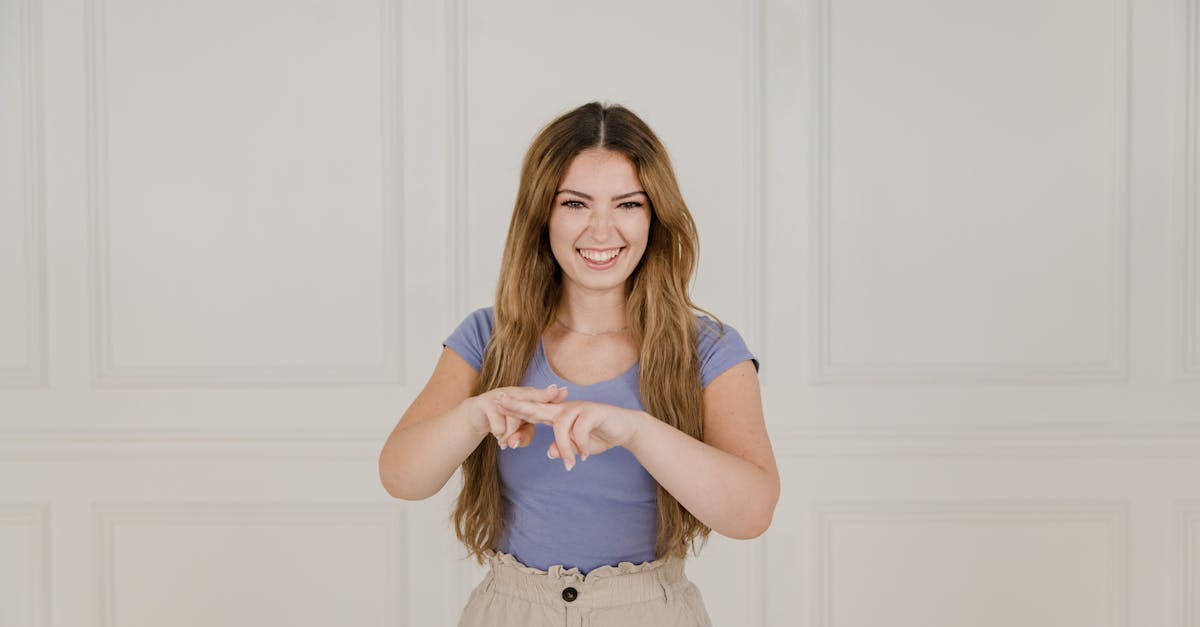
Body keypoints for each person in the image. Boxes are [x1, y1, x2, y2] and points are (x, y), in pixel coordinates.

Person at [378, 101, 779, 627]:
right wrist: (479, 412)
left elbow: (752, 514)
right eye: (575, 203)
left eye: (628, 204)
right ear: (542, 212)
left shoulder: (708, 348)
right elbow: (401, 477)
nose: (601, 229)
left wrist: (633, 429)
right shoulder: (487, 337)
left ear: (655, 215)